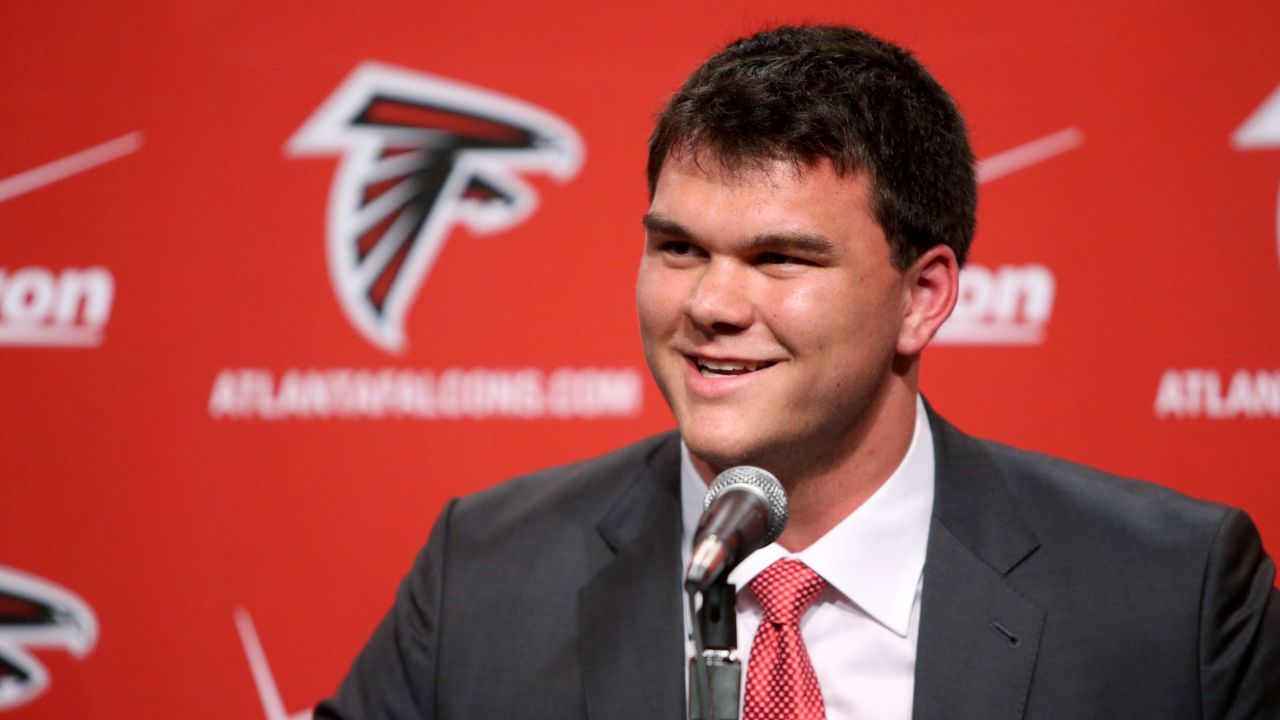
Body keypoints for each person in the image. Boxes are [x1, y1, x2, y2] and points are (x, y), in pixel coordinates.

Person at [316, 25, 1279, 720]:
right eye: (680, 248)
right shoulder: (485, 572)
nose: (710, 304)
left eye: (781, 258)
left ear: (924, 295)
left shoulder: (1172, 598)